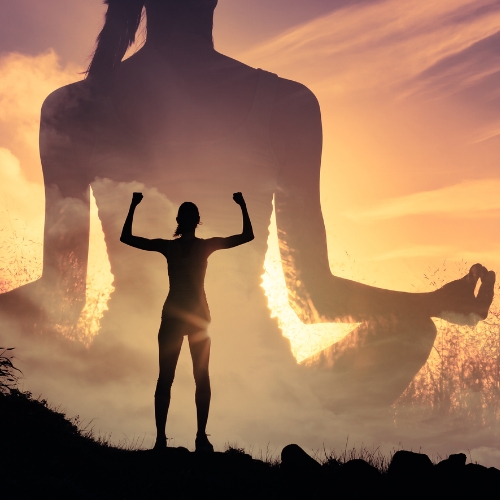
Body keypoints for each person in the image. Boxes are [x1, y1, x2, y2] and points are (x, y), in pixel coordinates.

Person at [0, 0, 495, 414]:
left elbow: (62, 299)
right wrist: (431, 304)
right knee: (410, 330)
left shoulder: (75, 105)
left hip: (115, 382)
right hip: (268, 388)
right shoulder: (288, 103)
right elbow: (313, 297)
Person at [120, 191, 254, 451]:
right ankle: (169, 439)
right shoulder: (184, 246)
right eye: (188, 215)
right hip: (183, 316)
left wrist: (243, 205)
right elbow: (127, 238)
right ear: (186, 220)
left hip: (190, 317)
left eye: (191, 215)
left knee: (191, 377)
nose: (190, 219)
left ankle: (196, 437)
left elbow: (247, 236)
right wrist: (133, 205)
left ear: (188, 220)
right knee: (173, 378)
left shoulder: (197, 246)